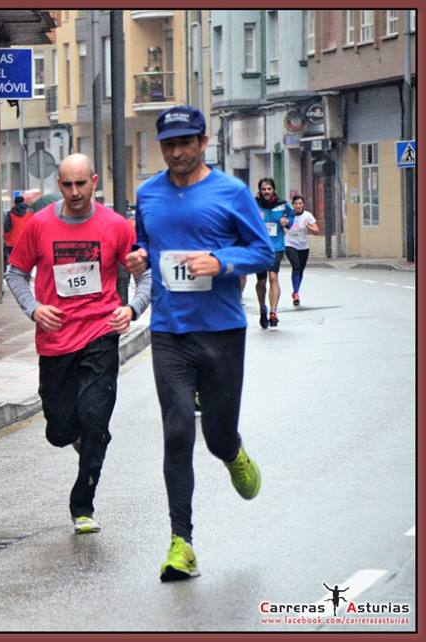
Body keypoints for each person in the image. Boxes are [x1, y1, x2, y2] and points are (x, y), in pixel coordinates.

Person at [126, 105, 273, 582]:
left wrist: (220, 261)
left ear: (203, 143)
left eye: (186, 142)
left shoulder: (230, 192)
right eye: (169, 144)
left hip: (223, 331)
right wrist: (139, 259)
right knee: (176, 432)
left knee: (216, 436)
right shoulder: (147, 194)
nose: (177, 151)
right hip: (170, 332)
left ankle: (233, 452)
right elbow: (146, 244)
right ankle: (181, 543)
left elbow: (263, 252)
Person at [5, 153, 152, 535]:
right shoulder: (39, 225)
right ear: (58, 183)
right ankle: (86, 440)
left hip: (100, 334)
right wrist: (34, 309)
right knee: (59, 430)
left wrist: (132, 310)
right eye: (67, 185)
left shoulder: (116, 226)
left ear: (94, 181)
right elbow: (16, 273)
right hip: (55, 341)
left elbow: (145, 274)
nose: (74, 192)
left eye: (81, 184)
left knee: (94, 419)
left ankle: (82, 504)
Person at [252, 177, 294, 328]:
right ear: (260, 191)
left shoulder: (282, 205)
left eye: (269, 189)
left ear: (273, 189)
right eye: (264, 189)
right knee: (261, 282)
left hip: (276, 247)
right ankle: (263, 308)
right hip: (259, 248)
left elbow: (291, 215)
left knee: (273, 277)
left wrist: (287, 222)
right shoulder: (254, 204)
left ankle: (273, 312)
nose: (266, 192)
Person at [284, 195, 319, 306]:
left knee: (300, 270)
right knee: (296, 266)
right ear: (293, 205)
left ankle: (295, 291)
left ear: (303, 204)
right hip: (289, 244)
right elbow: (281, 223)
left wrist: (308, 225)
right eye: (296, 203)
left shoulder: (307, 216)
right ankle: (296, 295)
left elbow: (316, 230)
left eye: (300, 203)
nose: (298, 205)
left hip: (303, 247)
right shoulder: (289, 215)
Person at [3, 194, 34, 268]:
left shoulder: (10, 213)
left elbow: (6, 227)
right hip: (26, 242)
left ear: (15, 202)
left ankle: (16, 275)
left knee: (14, 263)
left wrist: (6, 238)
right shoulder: (31, 213)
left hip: (12, 243)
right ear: (23, 202)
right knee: (26, 261)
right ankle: (26, 275)